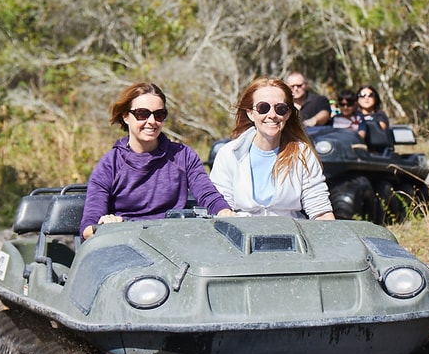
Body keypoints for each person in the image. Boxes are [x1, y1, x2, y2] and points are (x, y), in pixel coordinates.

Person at [80, 82, 233, 239]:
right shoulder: (109, 164)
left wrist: (226, 213)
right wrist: (105, 225)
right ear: (126, 116)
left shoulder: (183, 155)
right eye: (142, 114)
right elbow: (88, 226)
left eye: (159, 114)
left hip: (174, 239)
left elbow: (208, 195)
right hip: (125, 239)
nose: (152, 121)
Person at [210, 78, 335, 219]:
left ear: (288, 114)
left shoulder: (303, 154)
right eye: (263, 108)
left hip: (291, 235)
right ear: (250, 113)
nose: (272, 115)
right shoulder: (229, 154)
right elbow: (221, 208)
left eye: (280, 109)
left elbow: (321, 211)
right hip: (240, 235)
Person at [355, 84, 392, 149]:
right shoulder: (353, 116)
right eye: (362, 95)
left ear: (375, 98)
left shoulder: (380, 115)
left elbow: (380, 129)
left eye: (370, 95)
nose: (366, 98)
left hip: (378, 152)